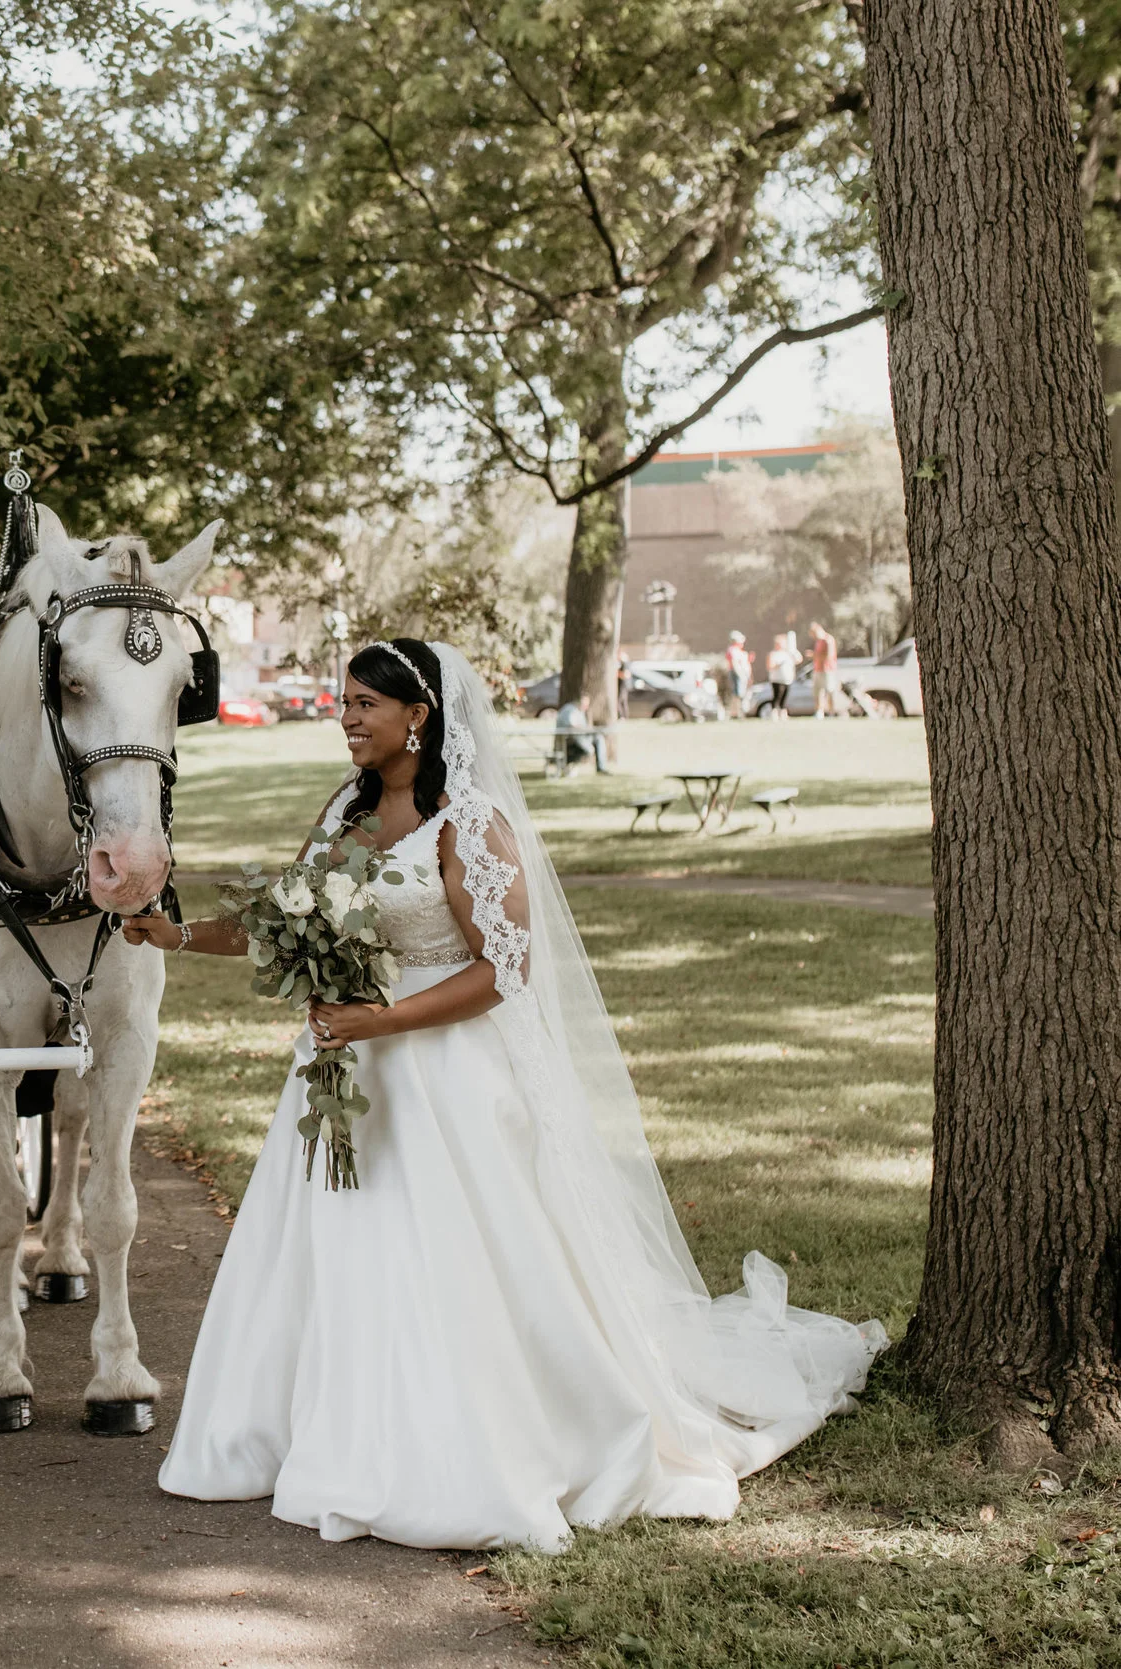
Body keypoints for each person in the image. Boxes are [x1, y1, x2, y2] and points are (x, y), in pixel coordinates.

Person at [126, 639, 884, 1551]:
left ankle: (457, 1442)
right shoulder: (344, 813)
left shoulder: (470, 825)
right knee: (326, 1256)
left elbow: (503, 970)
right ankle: (308, 1429)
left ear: (422, 715)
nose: (350, 718)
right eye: (345, 702)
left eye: (368, 702)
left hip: (444, 1078)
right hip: (339, 1078)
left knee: (449, 1261)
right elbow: (279, 914)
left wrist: (382, 1021)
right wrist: (172, 934)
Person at [809, 622, 843, 718]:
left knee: (829, 691)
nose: (813, 636)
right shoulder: (818, 641)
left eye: (814, 633)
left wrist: (814, 655)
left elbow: (829, 656)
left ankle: (832, 712)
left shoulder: (828, 640)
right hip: (817, 670)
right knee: (818, 692)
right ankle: (820, 712)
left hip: (828, 670)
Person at [765, 631, 800, 718]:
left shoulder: (788, 653)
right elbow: (769, 666)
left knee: (784, 697)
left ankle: (783, 713)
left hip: (787, 679)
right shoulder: (773, 654)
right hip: (777, 679)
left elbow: (798, 660)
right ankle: (774, 713)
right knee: (777, 696)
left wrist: (793, 651)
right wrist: (778, 664)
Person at [720, 631, 752, 721]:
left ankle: (738, 712)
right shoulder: (732, 650)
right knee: (737, 694)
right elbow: (735, 664)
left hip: (743, 675)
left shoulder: (740, 651)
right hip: (738, 674)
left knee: (741, 694)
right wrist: (741, 675)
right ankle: (736, 713)